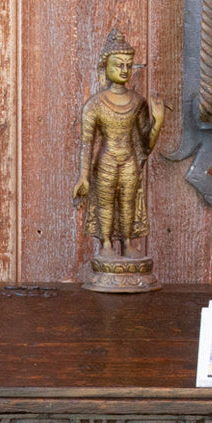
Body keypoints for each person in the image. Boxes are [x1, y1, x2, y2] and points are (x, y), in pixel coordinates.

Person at [72, 29, 165, 258]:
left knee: (128, 202)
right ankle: (105, 243)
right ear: (105, 67)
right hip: (106, 159)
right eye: (118, 65)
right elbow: (87, 142)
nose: (124, 70)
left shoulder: (137, 102)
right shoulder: (95, 104)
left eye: (128, 65)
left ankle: (127, 242)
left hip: (129, 159)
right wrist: (84, 176)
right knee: (105, 203)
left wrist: (159, 121)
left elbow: (145, 145)